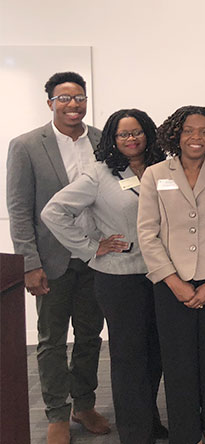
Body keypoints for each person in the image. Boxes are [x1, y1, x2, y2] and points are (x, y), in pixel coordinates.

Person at [41, 109, 168, 443]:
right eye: (123, 134)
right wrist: (89, 247)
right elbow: (54, 211)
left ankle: (149, 420)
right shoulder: (98, 174)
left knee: (156, 353)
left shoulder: (164, 169)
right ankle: (135, 432)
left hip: (162, 275)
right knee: (129, 357)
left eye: (137, 131)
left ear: (148, 133)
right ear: (112, 138)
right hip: (120, 277)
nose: (131, 139)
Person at [6, 71, 109, 444]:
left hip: (95, 257)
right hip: (51, 259)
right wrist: (29, 263)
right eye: (64, 98)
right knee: (51, 339)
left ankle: (84, 404)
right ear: (49, 102)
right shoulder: (27, 145)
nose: (73, 104)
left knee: (89, 336)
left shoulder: (101, 140)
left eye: (79, 97)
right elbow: (19, 210)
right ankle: (56, 413)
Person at [137, 105, 205, 444]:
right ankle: (184, 434)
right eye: (188, 131)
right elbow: (147, 233)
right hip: (171, 285)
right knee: (178, 364)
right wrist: (173, 281)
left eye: (203, 131)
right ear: (176, 134)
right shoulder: (155, 174)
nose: (196, 137)